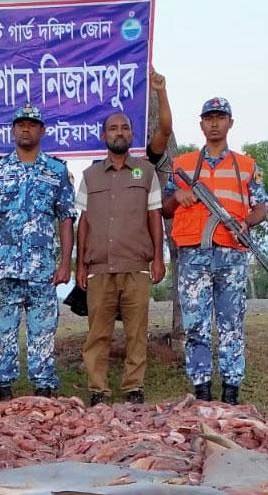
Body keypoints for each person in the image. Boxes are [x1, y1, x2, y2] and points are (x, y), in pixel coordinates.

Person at [162, 97, 268, 405]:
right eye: (209, 117)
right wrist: (179, 195)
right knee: (196, 324)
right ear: (201, 123)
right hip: (194, 255)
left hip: (231, 253)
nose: (214, 123)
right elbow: (165, 208)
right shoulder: (182, 164)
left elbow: (261, 208)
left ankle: (231, 391)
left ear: (230, 123)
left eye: (220, 117)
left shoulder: (247, 166)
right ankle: (202, 390)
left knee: (231, 324)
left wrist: (246, 223)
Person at [0, 104, 75, 401]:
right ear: (12, 130)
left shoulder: (57, 171)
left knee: (43, 330)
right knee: (2, 330)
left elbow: (66, 219)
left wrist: (65, 262)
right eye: (20, 124)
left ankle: (43, 386)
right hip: (5, 267)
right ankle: (3, 387)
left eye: (32, 124)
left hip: (43, 268)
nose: (25, 128)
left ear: (42, 131)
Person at [75, 111, 165, 407]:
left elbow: (154, 217)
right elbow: (83, 222)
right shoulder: (90, 175)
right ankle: (98, 390)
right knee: (97, 333)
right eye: (113, 129)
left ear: (132, 134)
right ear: (104, 136)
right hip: (99, 267)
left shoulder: (146, 172)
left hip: (136, 266)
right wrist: (80, 264)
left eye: (125, 128)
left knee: (136, 333)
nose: (119, 132)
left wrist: (158, 259)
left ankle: (133, 388)